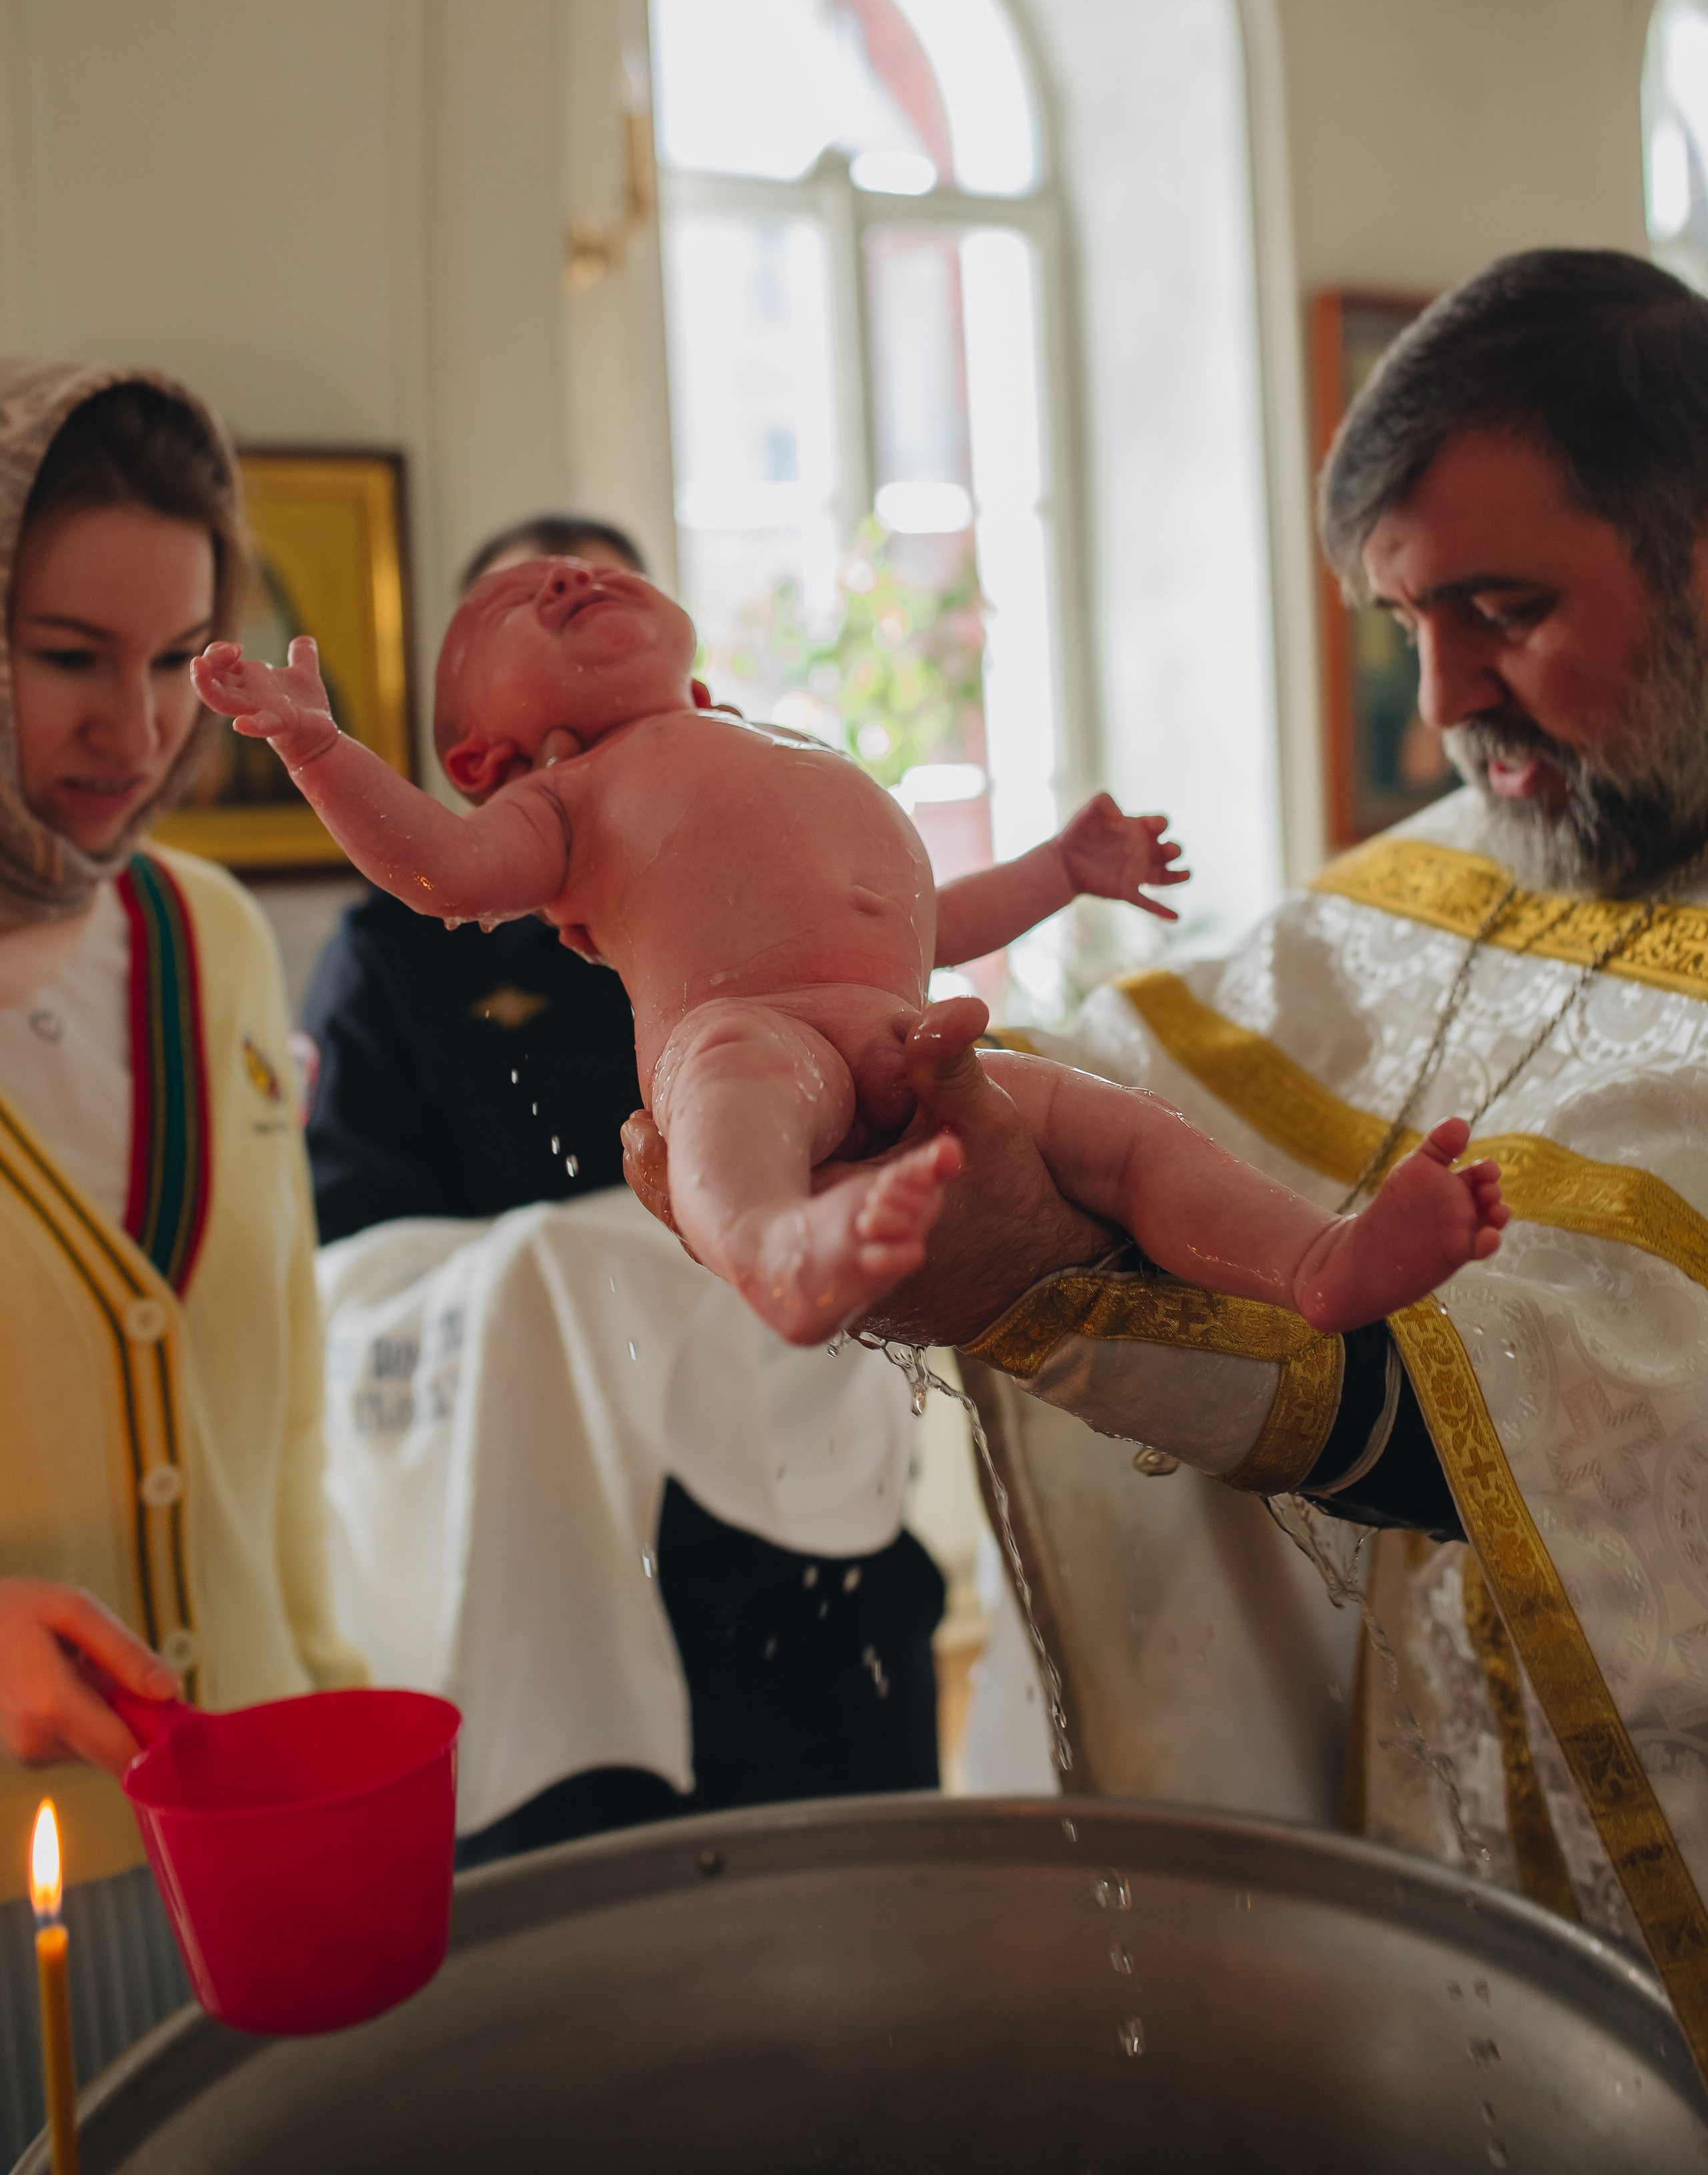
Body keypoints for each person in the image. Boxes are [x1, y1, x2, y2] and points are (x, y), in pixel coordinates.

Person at [628, 248, 1708, 2082]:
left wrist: (1040, 1273)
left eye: (1507, 611)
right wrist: (831, 1069)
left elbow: (1568, 1429)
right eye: (1411, 630)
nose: (1445, 700)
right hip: (1425, 1856)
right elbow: (1100, 1068)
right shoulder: (1443, 868)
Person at [194, 556, 1505, 1344]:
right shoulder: (568, 797)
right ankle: (776, 1249)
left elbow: (927, 928)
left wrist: (1061, 869)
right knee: (719, 1113)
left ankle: (1313, 1262)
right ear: (492, 758)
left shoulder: (783, 755)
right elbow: (437, 869)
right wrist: (315, 744)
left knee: (1121, 1133)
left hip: (909, 1031)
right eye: (513, 612)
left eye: (581, 573)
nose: (559, 578)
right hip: (747, 1028)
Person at [301, 515, 948, 1863]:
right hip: (559, 1557)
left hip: (803, 1548)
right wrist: (591, 1262)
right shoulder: (392, 953)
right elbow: (354, 1279)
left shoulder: (773, 883)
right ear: (482, 763)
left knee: (868, 1929)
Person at [0, 366, 362, 2163]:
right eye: (68, 655)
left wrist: (338, 1714)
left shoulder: (208, 935)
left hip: (252, 1841)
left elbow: (281, 1420)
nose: (131, 730)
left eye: (179, 661)